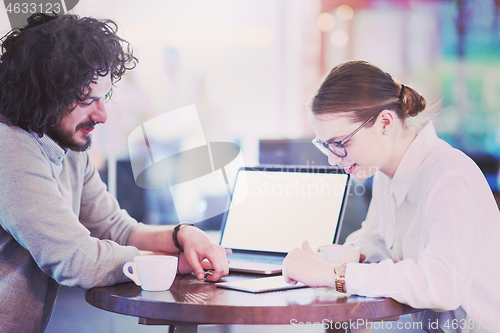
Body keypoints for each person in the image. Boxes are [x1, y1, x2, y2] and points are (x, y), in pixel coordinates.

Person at [0, 13, 229, 333]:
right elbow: (76, 260)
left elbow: (113, 226)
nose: (103, 115)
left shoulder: (65, 145)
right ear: (42, 95)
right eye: (87, 100)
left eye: (104, 97)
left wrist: (181, 235)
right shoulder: (9, 148)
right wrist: (169, 263)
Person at [283, 60, 500, 332]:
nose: (331, 159)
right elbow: (373, 244)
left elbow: (442, 285)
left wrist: (331, 274)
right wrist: (325, 260)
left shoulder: (448, 174)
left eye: (340, 143)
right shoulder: (386, 173)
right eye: (325, 145)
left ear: (385, 122)